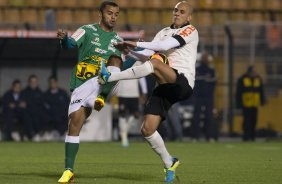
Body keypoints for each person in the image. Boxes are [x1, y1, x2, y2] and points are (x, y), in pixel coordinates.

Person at [99, 1, 198, 182]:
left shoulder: (191, 30)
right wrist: (130, 50)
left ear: (189, 17)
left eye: (182, 12)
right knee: (147, 129)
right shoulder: (162, 32)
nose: (177, 13)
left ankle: (110, 77)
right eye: (175, 10)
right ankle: (169, 163)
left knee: (156, 61)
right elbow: (146, 55)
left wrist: (135, 43)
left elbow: (162, 47)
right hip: (163, 85)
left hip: (182, 82)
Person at [57, 1, 124, 183]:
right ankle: (69, 171)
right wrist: (64, 39)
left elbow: (125, 63)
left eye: (116, 14)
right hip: (82, 85)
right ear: (100, 14)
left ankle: (102, 96)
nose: (113, 17)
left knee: (117, 62)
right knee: (73, 126)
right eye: (110, 13)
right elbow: (70, 44)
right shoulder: (86, 30)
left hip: (104, 84)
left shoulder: (118, 40)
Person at [117, 60, 148, 147]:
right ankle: (124, 137)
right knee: (122, 114)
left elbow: (142, 77)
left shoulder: (137, 61)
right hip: (122, 92)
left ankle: (124, 133)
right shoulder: (121, 60)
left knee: (136, 115)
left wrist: (144, 92)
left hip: (134, 93)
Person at [191, 52, 217, 142]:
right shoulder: (196, 69)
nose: (205, 60)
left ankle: (209, 137)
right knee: (196, 117)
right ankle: (195, 137)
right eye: (204, 58)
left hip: (208, 97)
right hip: (198, 96)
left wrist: (203, 79)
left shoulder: (211, 70)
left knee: (209, 117)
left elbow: (213, 82)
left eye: (206, 58)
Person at [236, 66, 266, 141]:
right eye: (253, 72)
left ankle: (253, 137)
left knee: (254, 121)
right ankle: (246, 136)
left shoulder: (258, 79)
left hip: (255, 104)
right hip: (246, 104)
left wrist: (262, 101)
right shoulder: (242, 79)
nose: (254, 73)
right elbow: (239, 92)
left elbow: (261, 91)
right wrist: (239, 104)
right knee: (246, 121)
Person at [21, 74, 48, 141]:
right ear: (29, 82)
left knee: (44, 114)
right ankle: (32, 134)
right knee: (28, 116)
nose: (34, 84)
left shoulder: (40, 92)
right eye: (32, 82)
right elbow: (23, 104)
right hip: (28, 112)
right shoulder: (24, 92)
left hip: (38, 112)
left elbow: (42, 103)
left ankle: (40, 134)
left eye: (35, 82)